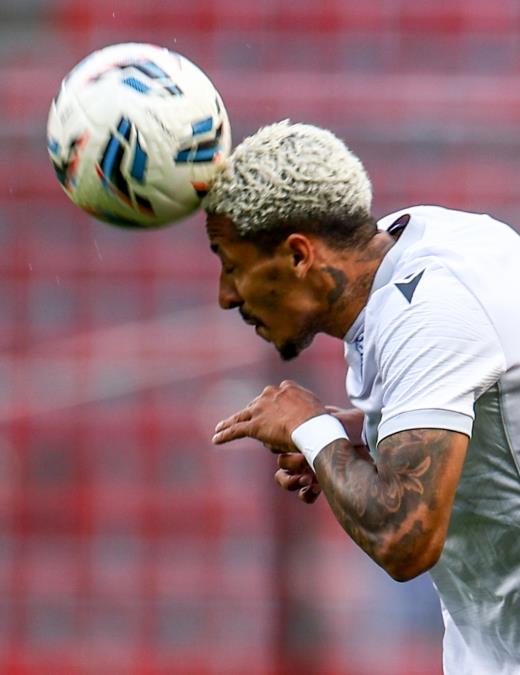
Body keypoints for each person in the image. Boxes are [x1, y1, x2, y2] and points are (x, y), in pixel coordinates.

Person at [202, 120, 520, 675]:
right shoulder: (421, 248)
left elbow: (403, 539)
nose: (226, 295)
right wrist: (360, 435)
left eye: (233, 266)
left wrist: (313, 428)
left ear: (298, 255)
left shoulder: (430, 309)